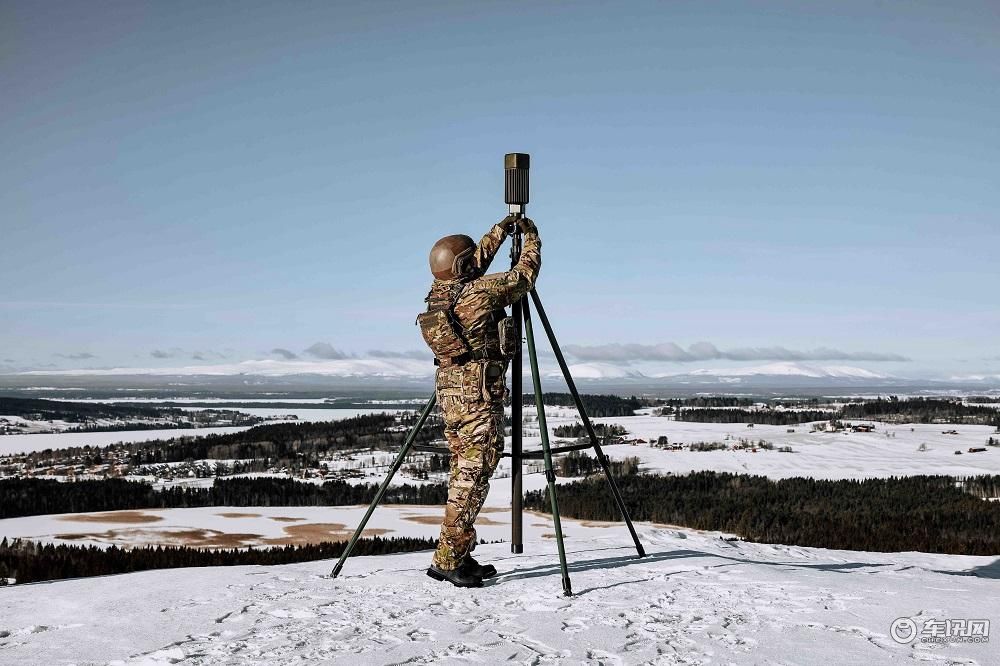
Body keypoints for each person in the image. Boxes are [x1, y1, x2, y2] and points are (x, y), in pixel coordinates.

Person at [416, 213, 541, 587]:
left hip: (452, 393)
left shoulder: (440, 293)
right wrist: (530, 237)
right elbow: (523, 276)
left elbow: (471, 265)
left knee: (462, 472)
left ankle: (457, 552)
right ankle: (449, 559)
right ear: (463, 265)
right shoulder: (480, 292)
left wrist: (500, 231)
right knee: (473, 476)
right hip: (478, 398)